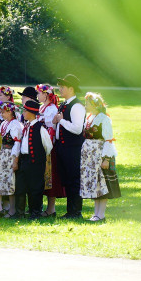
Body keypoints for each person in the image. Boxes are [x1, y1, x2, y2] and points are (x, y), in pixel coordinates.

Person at [81, 92, 121, 221]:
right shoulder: (90, 117)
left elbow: (109, 139)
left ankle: (101, 214)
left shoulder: (104, 118)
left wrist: (106, 159)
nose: (85, 105)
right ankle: (96, 213)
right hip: (90, 156)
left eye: (87, 103)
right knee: (95, 184)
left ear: (94, 105)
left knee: (101, 183)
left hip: (100, 154)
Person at [12, 99, 53, 220]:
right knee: (20, 186)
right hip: (24, 160)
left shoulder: (40, 128)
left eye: (25, 110)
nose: (23, 113)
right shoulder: (26, 126)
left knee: (35, 187)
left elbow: (48, 146)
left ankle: (35, 212)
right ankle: (19, 212)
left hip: (35, 162)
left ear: (31, 112)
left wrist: (38, 157)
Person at [54, 74, 87, 219]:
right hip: (63, 147)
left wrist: (61, 121)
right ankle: (70, 211)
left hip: (72, 148)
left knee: (74, 179)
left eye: (63, 87)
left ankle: (76, 211)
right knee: (67, 179)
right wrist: (57, 121)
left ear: (71, 89)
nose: (60, 89)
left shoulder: (77, 106)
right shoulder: (65, 104)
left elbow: (77, 129)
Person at [0, 101, 21, 216]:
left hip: (10, 155)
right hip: (3, 154)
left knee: (10, 181)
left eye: (3, 112)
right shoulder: (4, 124)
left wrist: (15, 160)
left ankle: (12, 209)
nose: (1, 114)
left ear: (10, 112)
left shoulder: (16, 125)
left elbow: (17, 144)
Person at [37, 83, 63, 217]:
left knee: (50, 176)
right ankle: (41, 206)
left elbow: (51, 125)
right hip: (40, 144)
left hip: (49, 145)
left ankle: (51, 208)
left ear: (46, 94)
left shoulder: (51, 108)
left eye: (39, 93)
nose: (37, 95)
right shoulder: (42, 107)